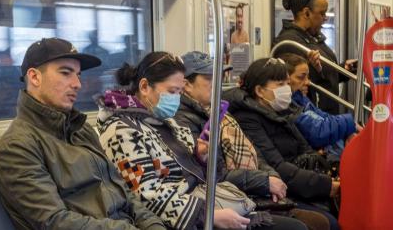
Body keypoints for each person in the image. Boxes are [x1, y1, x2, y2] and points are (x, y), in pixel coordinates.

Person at [97, 51, 308, 230]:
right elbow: (146, 195)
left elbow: (207, 175)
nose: (176, 99)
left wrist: (201, 157)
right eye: (171, 91)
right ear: (144, 87)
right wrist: (209, 216)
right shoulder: (121, 131)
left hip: (205, 202)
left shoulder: (167, 122)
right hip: (185, 219)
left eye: (179, 92)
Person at [0, 37, 166, 230]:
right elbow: (55, 222)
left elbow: (125, 192)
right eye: (66, 73)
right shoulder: (18, 146)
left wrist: (153, 225)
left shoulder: (81, 130)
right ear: (34, 77)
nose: (77, 84)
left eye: (78, 75)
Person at [175, 51, 330, 230]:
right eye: (210, 78)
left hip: (247, 189)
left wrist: (270, 175)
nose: (217, 84)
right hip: (226, 197)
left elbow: (257, 154)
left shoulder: (220, 113)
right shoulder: (185, 121)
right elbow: (215, 173)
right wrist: (264, 181)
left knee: (320, 220)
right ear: (186, 85)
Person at [223, 57, 340, 230]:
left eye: (287, 83)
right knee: (327, 221)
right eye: (280, 84)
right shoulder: (246, 118)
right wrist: (325, 185)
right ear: (260, 91)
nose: (286, 89)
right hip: (276, 190)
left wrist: (329, 171)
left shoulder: (281, 111)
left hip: (298, 183)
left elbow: (305, 149)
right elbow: (276, 166)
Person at [273, 0, 357, 115]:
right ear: (306, 13)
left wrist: (344, 69)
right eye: (322, 13)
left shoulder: (314, 38)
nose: (325, 18)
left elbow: (324, 74)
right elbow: (297, 81)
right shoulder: (289, 43)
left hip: (325, 113)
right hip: (311, 115)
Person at [278, 53, 359, 160]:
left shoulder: (300, 97)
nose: (307, 82)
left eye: (307, 77)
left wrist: (347, 132)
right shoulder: (284, 104)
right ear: (286, 79)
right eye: (301, 77)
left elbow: (323, 117)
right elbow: (318, 133)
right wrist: (349, 123)